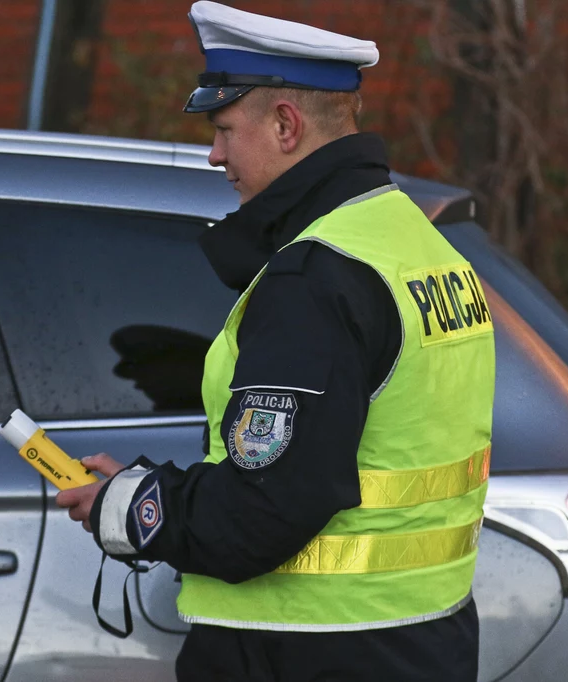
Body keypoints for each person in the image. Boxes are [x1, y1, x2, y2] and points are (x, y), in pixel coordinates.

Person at [56, 2, 496, 680]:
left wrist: (133, 509)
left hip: (306, 651)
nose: (215, 153)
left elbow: (265, 509)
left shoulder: (315, 276)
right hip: (417, 643)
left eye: (226, 129)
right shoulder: (414, 244)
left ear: (286, 125)